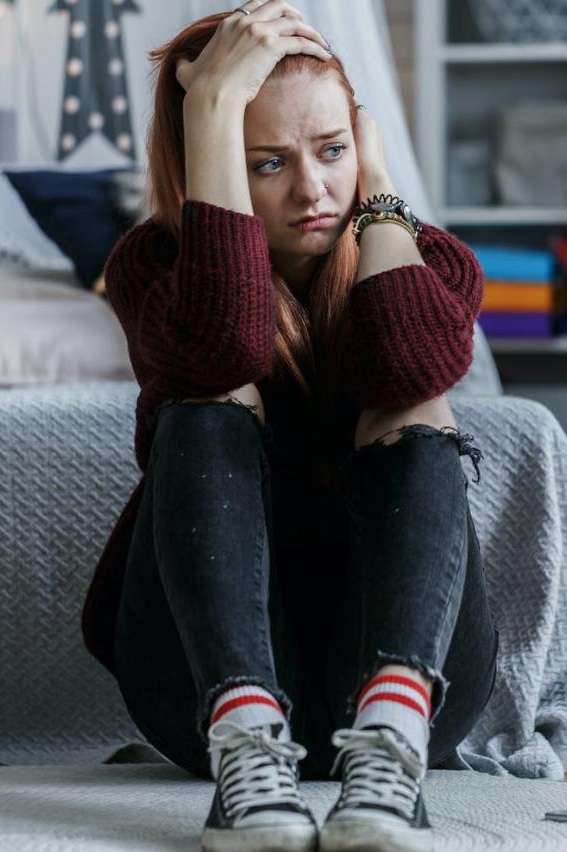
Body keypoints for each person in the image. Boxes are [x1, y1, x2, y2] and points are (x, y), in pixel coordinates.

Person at [78, 2, 497, 850]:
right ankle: (247, 747)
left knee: (418, 404)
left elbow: (409, 371)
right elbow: (224, 345)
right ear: (212, 162)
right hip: (199, 693)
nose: (313, 191)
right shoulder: (153, 269)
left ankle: (391, 748)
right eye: (267, 163)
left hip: (405, 684)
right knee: (205, 403)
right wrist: (208, 111)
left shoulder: (432, 260)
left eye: (332, 149)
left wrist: (377, 189)